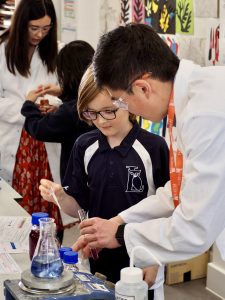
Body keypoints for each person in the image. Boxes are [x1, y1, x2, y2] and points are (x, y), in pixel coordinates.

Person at [73, 23, 225, 270]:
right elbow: (179, 191)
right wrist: (119, 221)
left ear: (143, 88)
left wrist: (122, 235)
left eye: (120, 102)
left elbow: (194, 229)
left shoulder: (206, 115)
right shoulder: (192, 97)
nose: (125, 109)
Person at [39, 65, 170, 299]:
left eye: (109, 111)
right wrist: (60, 196)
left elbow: (167, 209)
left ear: (128, 103)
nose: (100, 120)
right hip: (96, 258)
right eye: (91, 113)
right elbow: (78, 207)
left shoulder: (154, 147)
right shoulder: (84, 146)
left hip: (141, 257)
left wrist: (155, 257)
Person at [0, 0, 63, 237]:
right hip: (16, 141)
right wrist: (26, 105)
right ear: (21, 24)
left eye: (46, 29)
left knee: (49, 205)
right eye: (34, 28)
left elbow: (62, 92)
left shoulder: (54, 50)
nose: (40, 34)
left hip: (44, 141)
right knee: (16, 209)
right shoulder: (2, 51)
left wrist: (50, 105)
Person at [21, 40, 94, 181]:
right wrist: (63, 94)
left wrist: (29, 104)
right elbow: (78, 99)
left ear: (65, 74)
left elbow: (38, 128)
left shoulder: (70, 112)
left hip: (76, 181)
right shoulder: (99, 99)